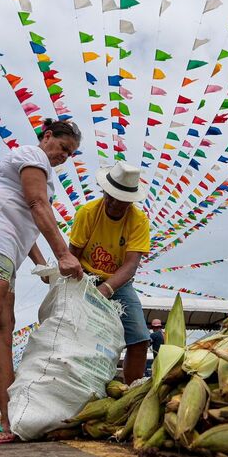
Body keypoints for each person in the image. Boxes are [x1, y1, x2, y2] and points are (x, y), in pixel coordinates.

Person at [0, 119, 84, 445]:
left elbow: (27, 221)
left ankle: (10, 416)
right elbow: (36, 204)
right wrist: (64, 254)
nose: (65, 156)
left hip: (8, 243)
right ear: (47, 136)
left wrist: (42, 264)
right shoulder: (32, 155)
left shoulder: (41, 169)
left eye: (71, 154)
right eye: (63, 147)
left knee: (2, 325)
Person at [68, 162, 151, 385]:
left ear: (131, 200)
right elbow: (73, 255)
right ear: (104, 191)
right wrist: (80, 287)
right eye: (111, 197)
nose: (114, 203)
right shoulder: (87, 213)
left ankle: (132, 390)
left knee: (139, 339)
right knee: (75, 333)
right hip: (84, 277)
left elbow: (131, 265)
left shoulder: (139, 221)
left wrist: (106, 289)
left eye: (121, 200)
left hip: (119, 282)